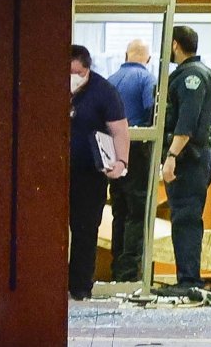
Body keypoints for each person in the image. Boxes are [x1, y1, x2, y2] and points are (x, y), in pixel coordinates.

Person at [69, 45, 130, 301]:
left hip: (89, 173)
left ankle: (80, 287)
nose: (72, 77)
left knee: (85, 229)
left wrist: (121, 162)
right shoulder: (46, 84)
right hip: (53, 174)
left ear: (87, 69)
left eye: (77, 72)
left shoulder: (104, 92)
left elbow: (119, 131)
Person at [160, 25, 211, 291]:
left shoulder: (190, 76)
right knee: (185, 219)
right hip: (193, 158)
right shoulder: (196, 72)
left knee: (185, 219)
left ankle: (189, 281)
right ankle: (188, 278)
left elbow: (186, 122)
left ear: (174, 45)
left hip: (188, 160)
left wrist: (171, 155)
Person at [106, 38, 156, 282]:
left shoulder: (110, 81)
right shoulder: (147, 80)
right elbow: (152, 112)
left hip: (114, 152)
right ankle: (129, 274)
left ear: (126, 56)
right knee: (137, 213)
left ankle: (117, 268)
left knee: (119, 211)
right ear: (147, 59)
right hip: (137, 151)